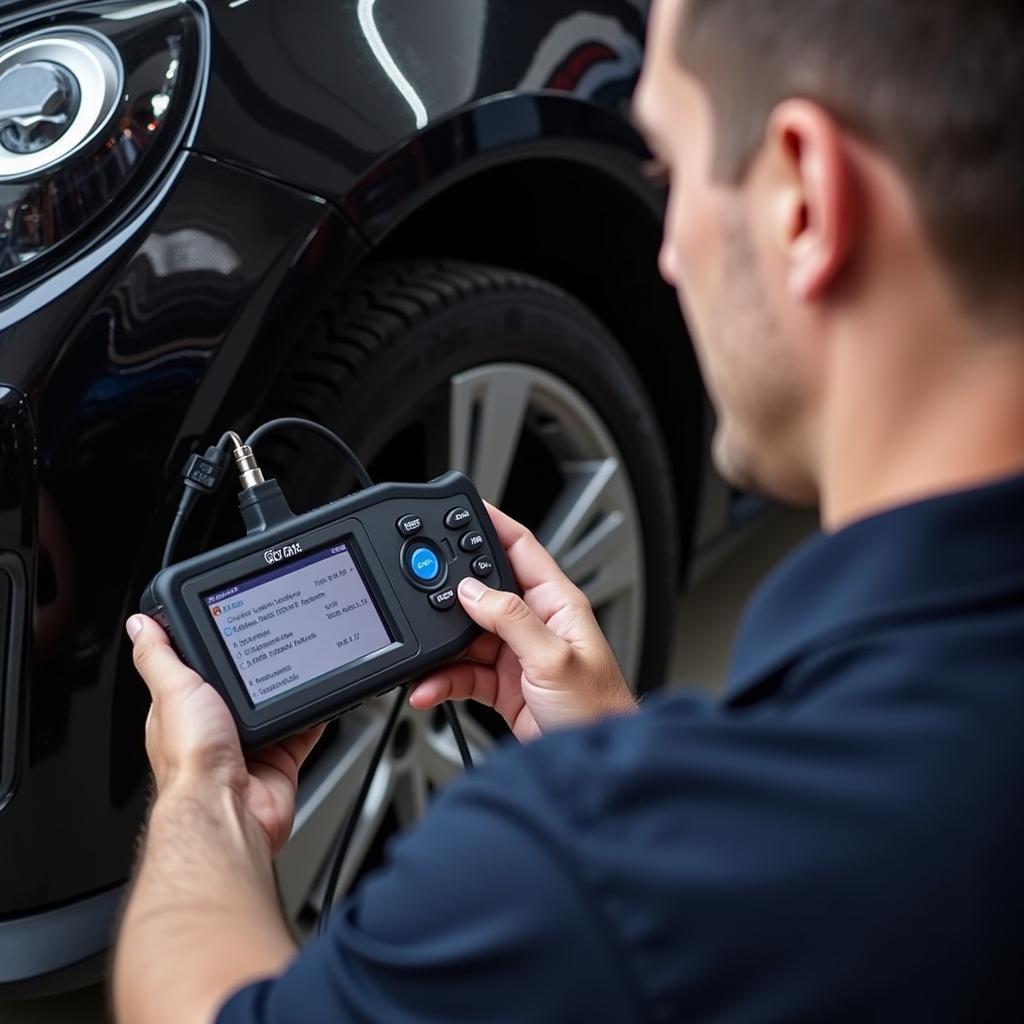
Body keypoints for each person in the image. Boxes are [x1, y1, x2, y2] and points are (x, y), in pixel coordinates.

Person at [114, 0, 1024, 1020]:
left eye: (669, 177)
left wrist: (203, 801)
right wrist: (628, 762)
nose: (667, 252)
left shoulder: (568, 870)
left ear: (802, 198)